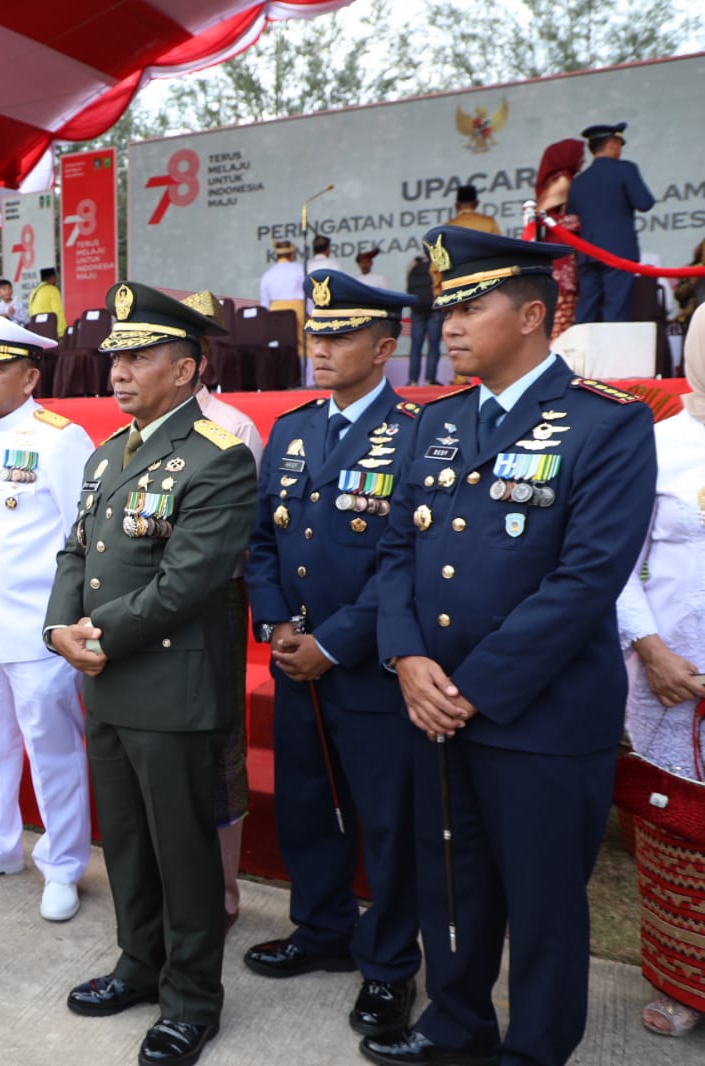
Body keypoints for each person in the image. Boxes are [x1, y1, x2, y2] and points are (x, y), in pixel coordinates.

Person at [368, 226, 658, 1066]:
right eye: (443, 307)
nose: (448, 324)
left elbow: (585, 579)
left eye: (469, 305)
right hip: (432, 700)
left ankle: (533, 1050)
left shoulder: (606, 424)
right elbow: (397, 550)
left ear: (532, 314)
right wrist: (407, 659)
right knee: (450, 879)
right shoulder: (437, 420)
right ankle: (454, 1025)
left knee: (541, 902)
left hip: (541, 714)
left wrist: (466, 687)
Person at [45, 283, 255, 1066]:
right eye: (116, 358)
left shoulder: (218, 456)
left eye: (138, 358)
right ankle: (138, 964)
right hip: (104, 679)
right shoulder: (108, 453)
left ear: (188, 367)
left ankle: (192, 999)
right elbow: (76, 552)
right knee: (127, 843)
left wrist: (97, 635)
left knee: (183, 854)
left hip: (171, 687)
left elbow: (191, 579)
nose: (119, 372)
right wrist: (57, 628)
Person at [243, 270, 424, 1047]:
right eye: (314, 334)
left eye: (340, 335)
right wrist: (278, 622)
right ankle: (318, 930)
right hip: (294, 661)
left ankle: (387, 964)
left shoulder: (417, 433)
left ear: (383, 348)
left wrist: (333, 643)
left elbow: (404, 556)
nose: (319, 347)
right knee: (308, 807)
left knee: (387, 822)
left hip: (371, 667)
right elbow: (261, 539)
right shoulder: (291, 428)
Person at [0, 312, 93, 922]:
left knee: (52, 747)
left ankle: (62, 865)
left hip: (37, 624)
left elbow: (77, 538)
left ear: (30, 377)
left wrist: (68, 620)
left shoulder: (61, 439)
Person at [614, 307, 705, 1040]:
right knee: (677, 835)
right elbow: (616, 565)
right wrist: (651, 650)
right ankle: (682, 984)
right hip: (670, 680)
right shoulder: (657, 445)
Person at [195, 377, 262, 933]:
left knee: (220, 751)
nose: (123, 370)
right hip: (144, 616)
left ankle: (223, 893)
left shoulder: (233, 428)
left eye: (141, 356)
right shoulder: (127, 437)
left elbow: (249, 535)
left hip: (213, 603)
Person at [568, 121, 655, 324]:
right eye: (619, 144)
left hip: (587, 251)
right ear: (612, 144)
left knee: (587, 305)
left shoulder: (579, 181)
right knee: (617, 304)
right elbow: (645, 203)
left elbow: (572, 217)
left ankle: (583, 354)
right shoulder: (626, 169)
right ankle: (613, 353)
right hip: (618, 250)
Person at [533, 139, 586, 339]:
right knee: (562, 313)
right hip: (561, 251)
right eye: (579, 155)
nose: (582, 160)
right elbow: (546, 218)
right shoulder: (563, 180)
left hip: (556, 252)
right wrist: (584, 223)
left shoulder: (556, 180)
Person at [405, 251, 444, 385]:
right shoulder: (438, 262)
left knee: (416, 346)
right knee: (433, 346)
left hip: (417, 309)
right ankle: (430, 379)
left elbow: (408, 284)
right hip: (434, 309)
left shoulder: (413, 263)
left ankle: (412, 380)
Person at [260, 240, 305, 310]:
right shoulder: (300, 269)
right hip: (298, 314)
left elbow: (265, 304)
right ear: (292, 255)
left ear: (276, 256)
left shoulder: (267, 275)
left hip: (275, 315)